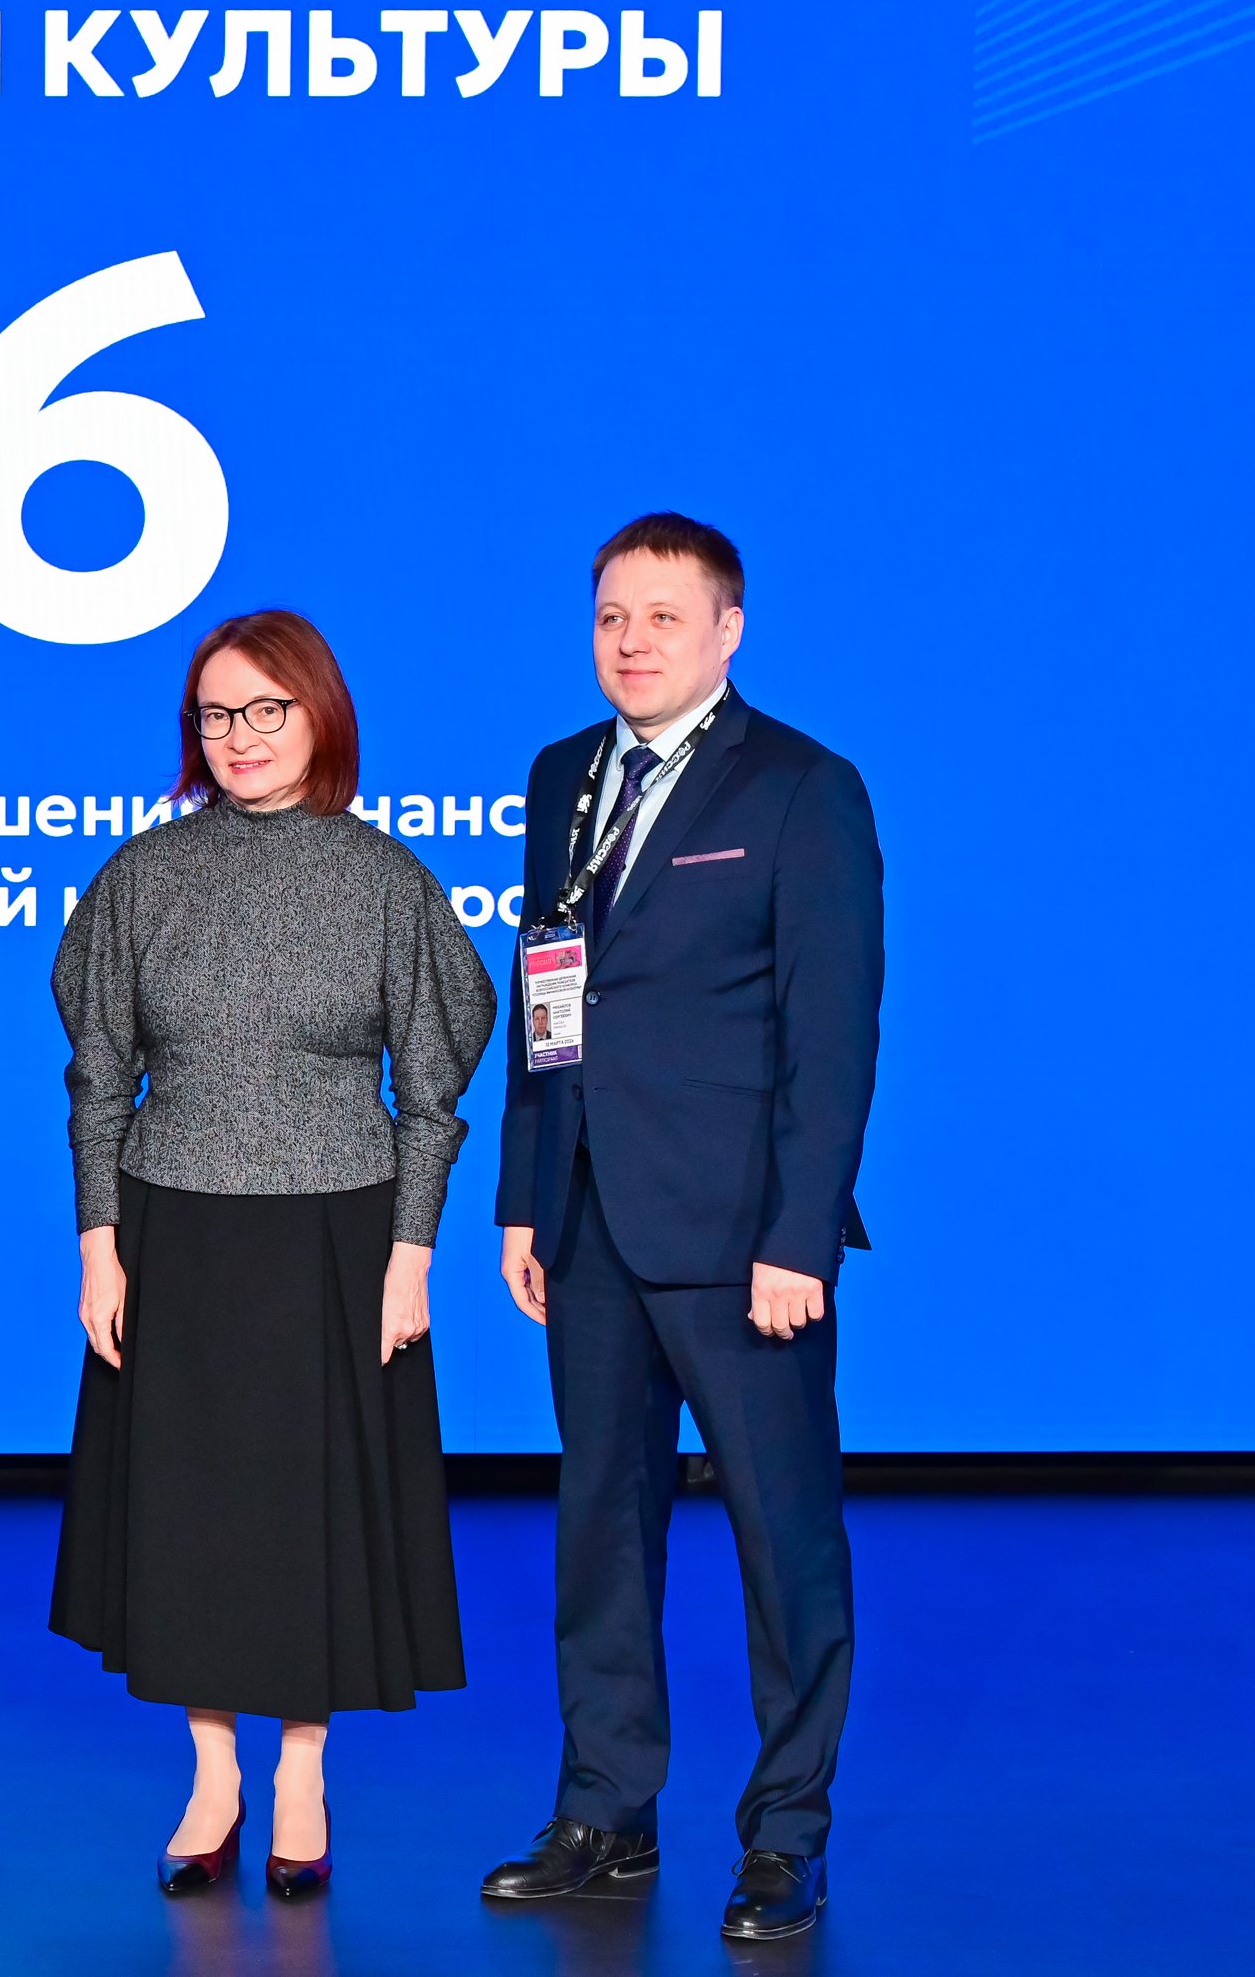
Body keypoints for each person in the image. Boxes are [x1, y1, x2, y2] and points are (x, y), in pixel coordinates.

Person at [49, 611, 495, 1899]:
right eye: (216, 715)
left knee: (311, 1520)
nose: (239, 737)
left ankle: (302, 1771)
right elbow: (97, 1080)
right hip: (173, 1229)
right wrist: (99, 1244)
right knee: (189, 1516)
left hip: (335, 1235)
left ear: (320, 718)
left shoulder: (387, 883)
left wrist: (411, 1253)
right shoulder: (141, 877)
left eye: (266, 711)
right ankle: (213, 1774)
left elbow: (434, 1093)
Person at [481, 514, 881, 1943]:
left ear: (728, 630)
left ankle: (786, 1838)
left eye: (662, 616)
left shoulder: (802, 787)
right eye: (611, 617)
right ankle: (606, 1808)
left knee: (784, 1540)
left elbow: (832, 1038)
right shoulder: (563, 776)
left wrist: (800, 1236)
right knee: (599, 1526)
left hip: (740, 1238)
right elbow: (550, 998)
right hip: (587, 1221)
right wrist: (525, 1197)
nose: (631, 641)